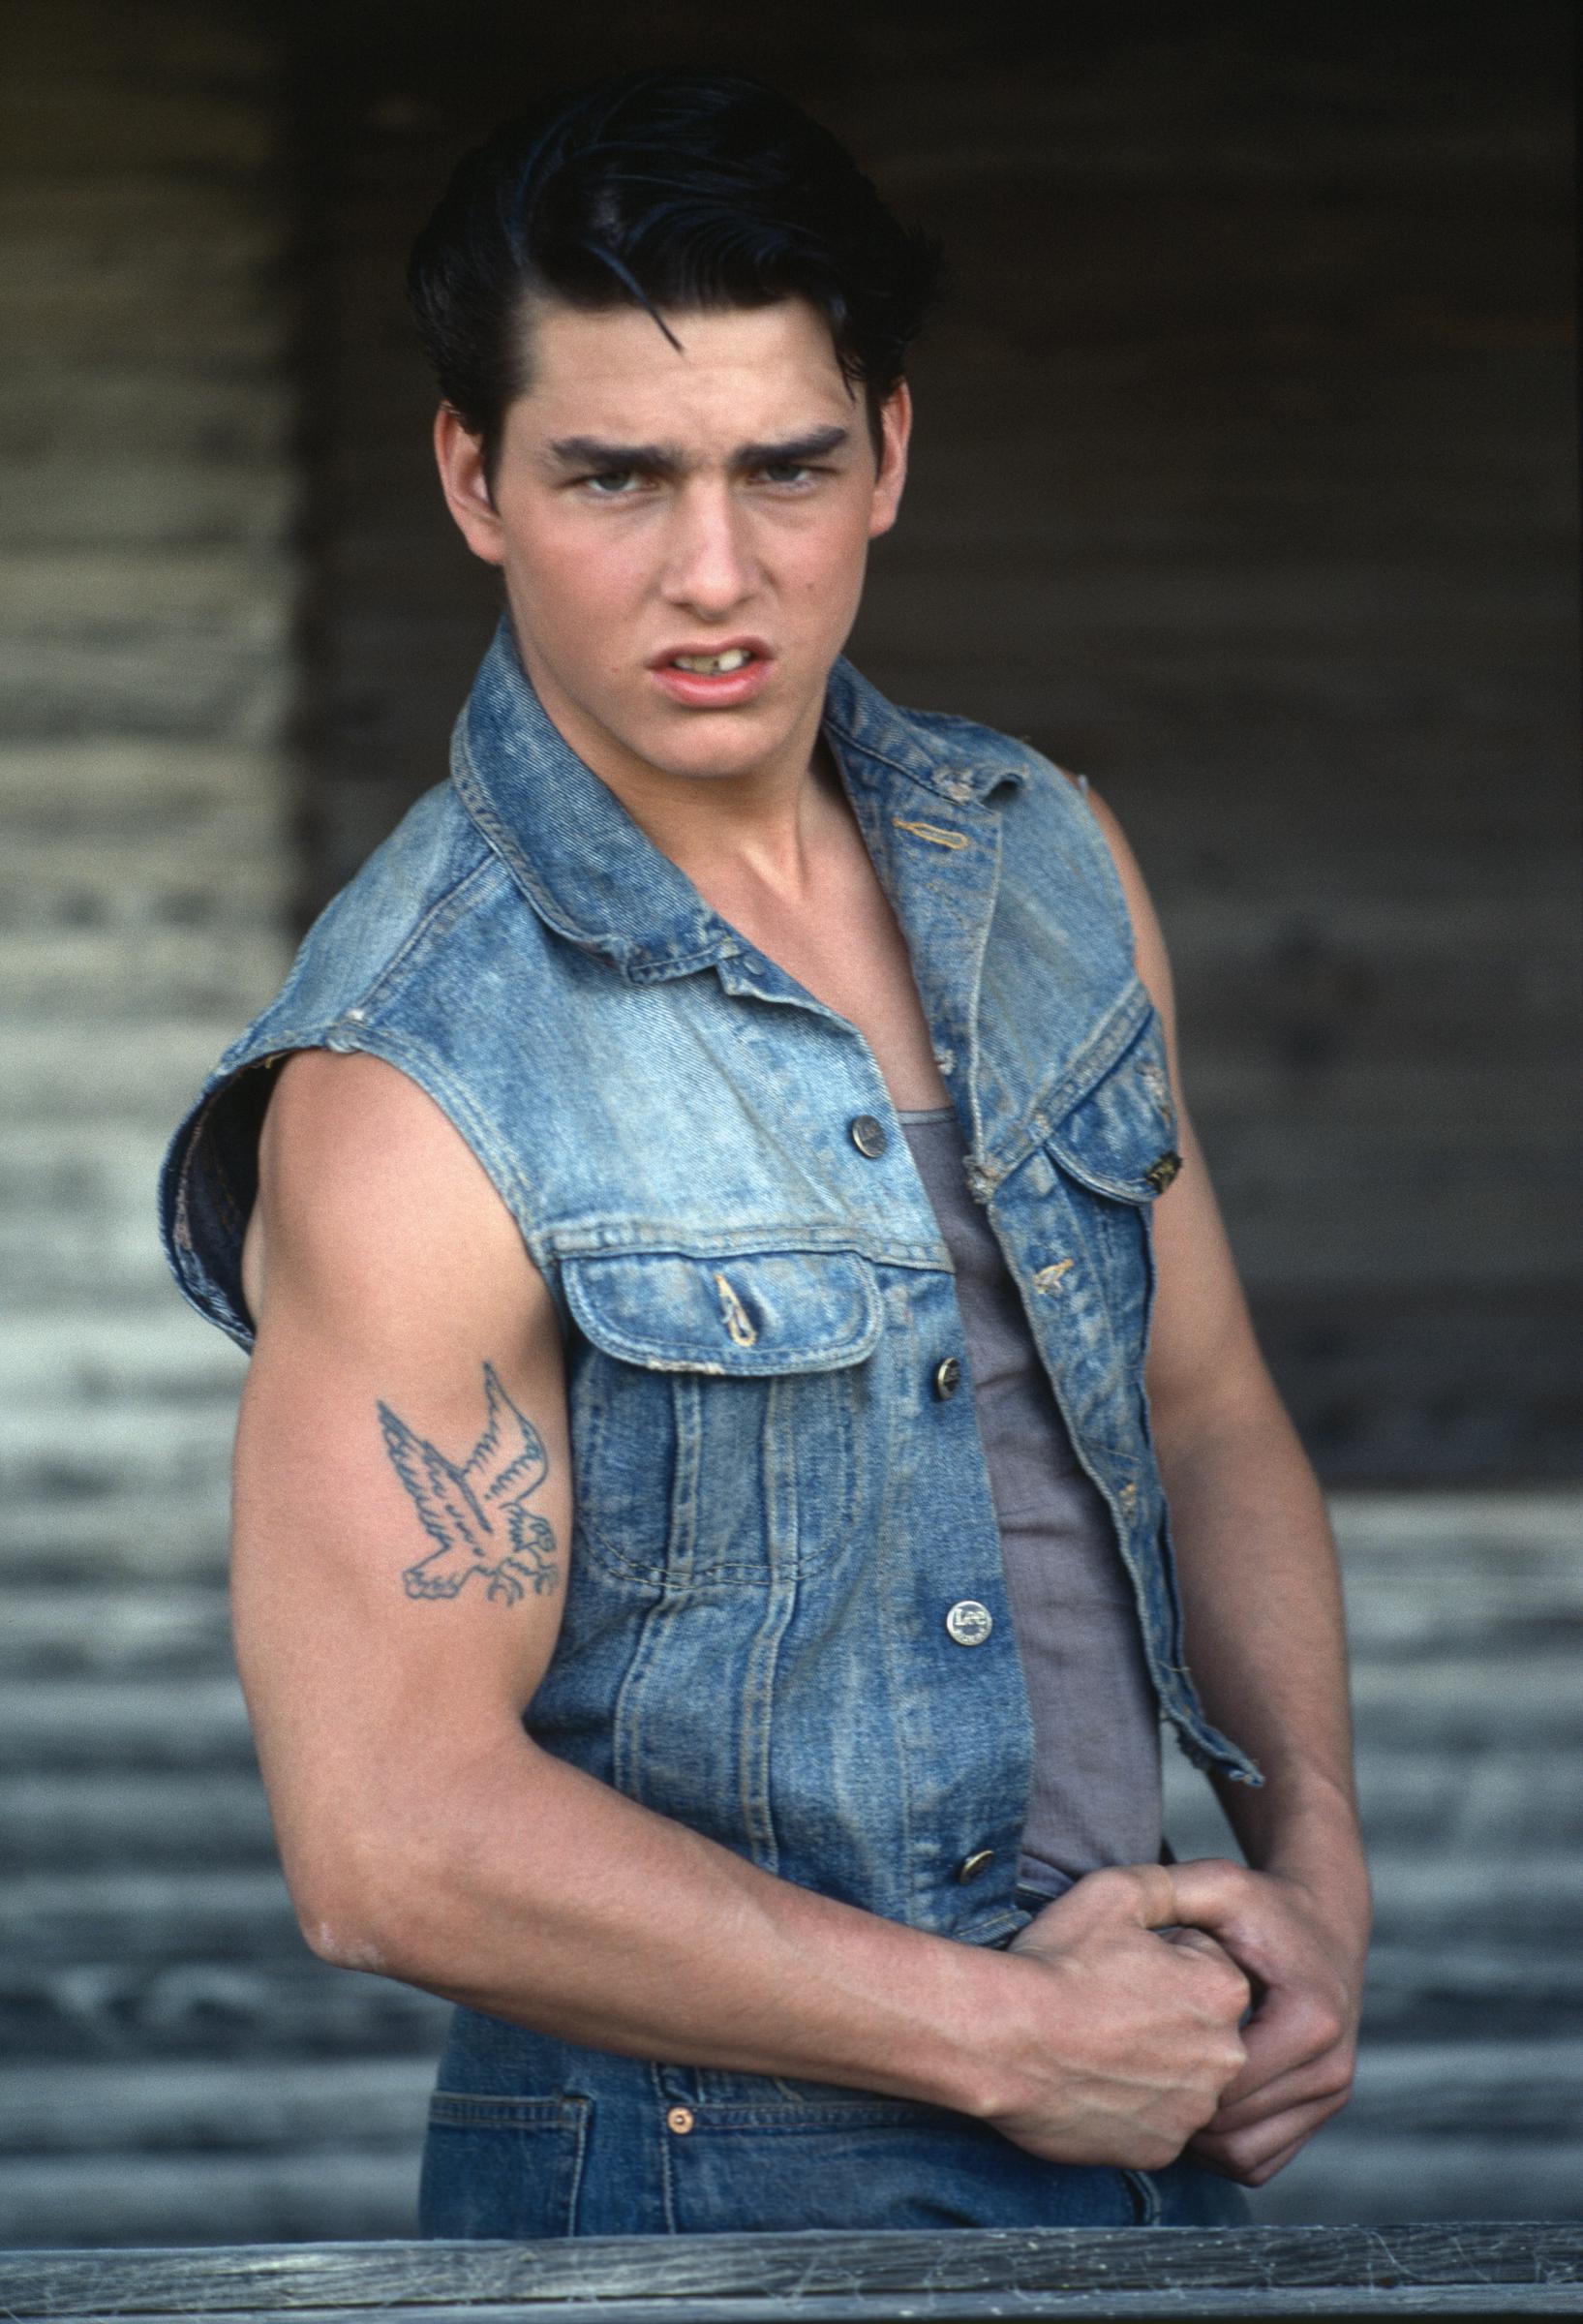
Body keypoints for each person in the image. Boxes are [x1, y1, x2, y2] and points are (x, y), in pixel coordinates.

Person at [158, 70, 1369, 2239]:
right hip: (693, 2199)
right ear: (473, 477)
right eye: (612, 476)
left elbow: (1201, 1411)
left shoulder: (1041, 867)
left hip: (1134, 2124)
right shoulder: (417, 1066)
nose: (710, 574)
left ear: (886, 450)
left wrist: (1314, 1880)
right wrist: (1006, 2039)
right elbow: (386, 1835)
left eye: (783, 468)